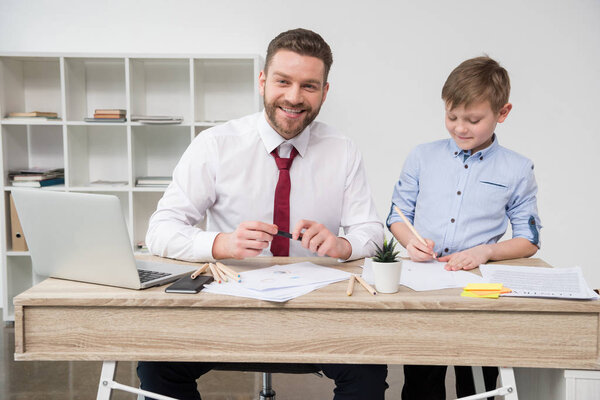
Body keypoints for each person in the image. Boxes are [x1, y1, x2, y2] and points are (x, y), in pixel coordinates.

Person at [137, 28, 387, 400]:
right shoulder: (216, 144)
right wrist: (222, 242)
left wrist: (342, 244)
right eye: (283, 81)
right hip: (229, 309)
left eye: (309, 86)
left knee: (369, 367)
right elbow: (160, 231)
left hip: (317, 312)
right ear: (262, 81)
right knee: (156, 366)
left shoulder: (343, 150)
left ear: (324, 91)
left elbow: (372, 232)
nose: (293, 97)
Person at [387, 56, 542, 399]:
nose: (460, 128)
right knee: (421, 382)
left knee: (479, 385)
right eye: (452, 117)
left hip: (478, 291)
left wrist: (485, 251)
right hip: (425, 284)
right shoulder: (422, 157)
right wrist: (410, 242)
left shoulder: (517, 169)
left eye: (473, 120)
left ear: (503, 113)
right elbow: (397, 215)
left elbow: (529, 240)